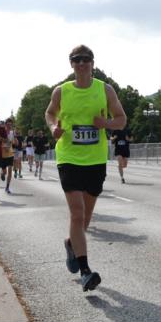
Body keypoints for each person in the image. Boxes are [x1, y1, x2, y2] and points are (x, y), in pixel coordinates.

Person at [46, 44, 127, 292]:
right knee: (77, 214)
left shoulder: (105, 89)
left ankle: (72, 244)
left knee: (86, 217)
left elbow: (122, 120)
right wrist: (53, 128)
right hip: (69, 157)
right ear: (71, 64)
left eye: (86, 59)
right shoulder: (62, 91)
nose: (81, 63)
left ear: (92, 63)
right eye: (76, 59)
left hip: (95, 159)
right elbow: (50, 113)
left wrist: (106, 123)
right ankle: (85, 271)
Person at [2, 118, 17, 192]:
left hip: (10, 154)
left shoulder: (12, 133)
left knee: (10, 171)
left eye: (10, 125)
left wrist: (15, 139)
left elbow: (14, 143)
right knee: (5, 172)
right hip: (2, 154)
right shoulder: (2, 132)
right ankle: (2, 173)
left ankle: (7, 187)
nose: (9, 126)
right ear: (5, 124)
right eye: (8, 124)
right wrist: (4, 147)